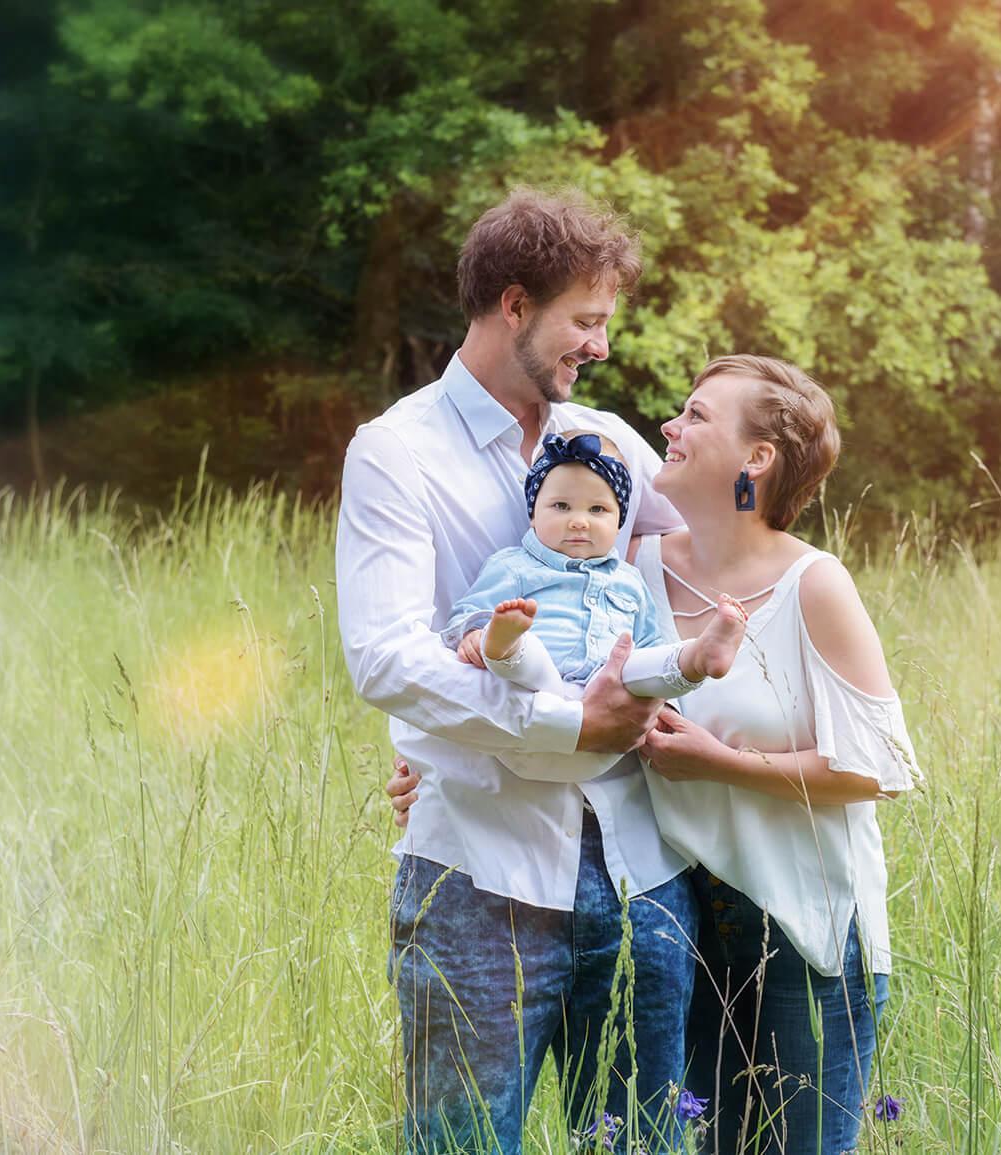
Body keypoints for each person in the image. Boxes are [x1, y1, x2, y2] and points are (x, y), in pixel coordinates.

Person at [391, 354, 922, 1155]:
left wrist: (719, 760)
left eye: (698, 415)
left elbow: (876, 770)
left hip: (804, 931)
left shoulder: (814, 584)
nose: (668, 427)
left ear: (758, 459)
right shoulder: (622, 570)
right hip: (679, 923)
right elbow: (562, 697)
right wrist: (439, 761)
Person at [336, 187, 701, 1155]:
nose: (602, 346)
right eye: (585, 321)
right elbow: (384, 654)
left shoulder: (614, 443)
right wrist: (559, 727)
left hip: (635, 876)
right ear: (512, 305)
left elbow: (715, 571)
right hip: (477, 880)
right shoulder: (396, 455)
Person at [444, 429, 749, 707]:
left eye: (597, 509)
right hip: (537, 699)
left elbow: (648, 640)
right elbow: (468, 609)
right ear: (533, 514)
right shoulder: (514, 567)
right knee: (530, 654)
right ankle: (502, 642)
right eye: (561, 506)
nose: (579, 520)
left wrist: (666, 706)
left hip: (611, 694)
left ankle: (698, 656)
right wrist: (473, 631)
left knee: (644, 661)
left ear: (618, 524)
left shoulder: (628, 579)